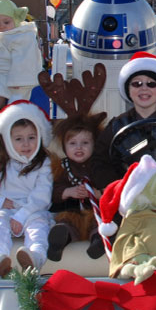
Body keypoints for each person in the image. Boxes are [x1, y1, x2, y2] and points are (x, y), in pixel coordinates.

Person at [0, 101, 53, 277]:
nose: (26, 144)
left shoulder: (43, 162)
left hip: (32, 211)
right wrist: (0, 201)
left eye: (31, 137)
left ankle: (34, 258)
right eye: (18, 139)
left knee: (38, 227)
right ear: (7, 140)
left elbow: (42, 196)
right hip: (8, 210)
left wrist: (22, 216)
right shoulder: (0, 159)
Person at [91, 51, 156, 191]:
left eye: (151, 84)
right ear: (128, 89)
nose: (144, 88)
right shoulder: (117, 126)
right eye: (137, 84)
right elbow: (100, 163)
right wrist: (120, 189)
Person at [0, 0, 43, 139]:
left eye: (6, 22)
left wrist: (19, 82)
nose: (2, 27)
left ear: (16, 20)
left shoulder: (20, 37)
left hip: (11, 81)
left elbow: (24, 59)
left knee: (10, 108)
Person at [47, 111, 107, 260]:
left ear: (94, 144)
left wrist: (97, 193)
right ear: (64, 146)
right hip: (72, 211)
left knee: (98, 223)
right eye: (72, 143)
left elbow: (111, 187)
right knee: (66, 221)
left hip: (95, 212)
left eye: (85, 143)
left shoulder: (100, 166)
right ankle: (59, 241)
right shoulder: (62, 167)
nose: (78, 148)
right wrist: (68, 191)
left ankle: (98, 242)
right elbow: (53, 191)